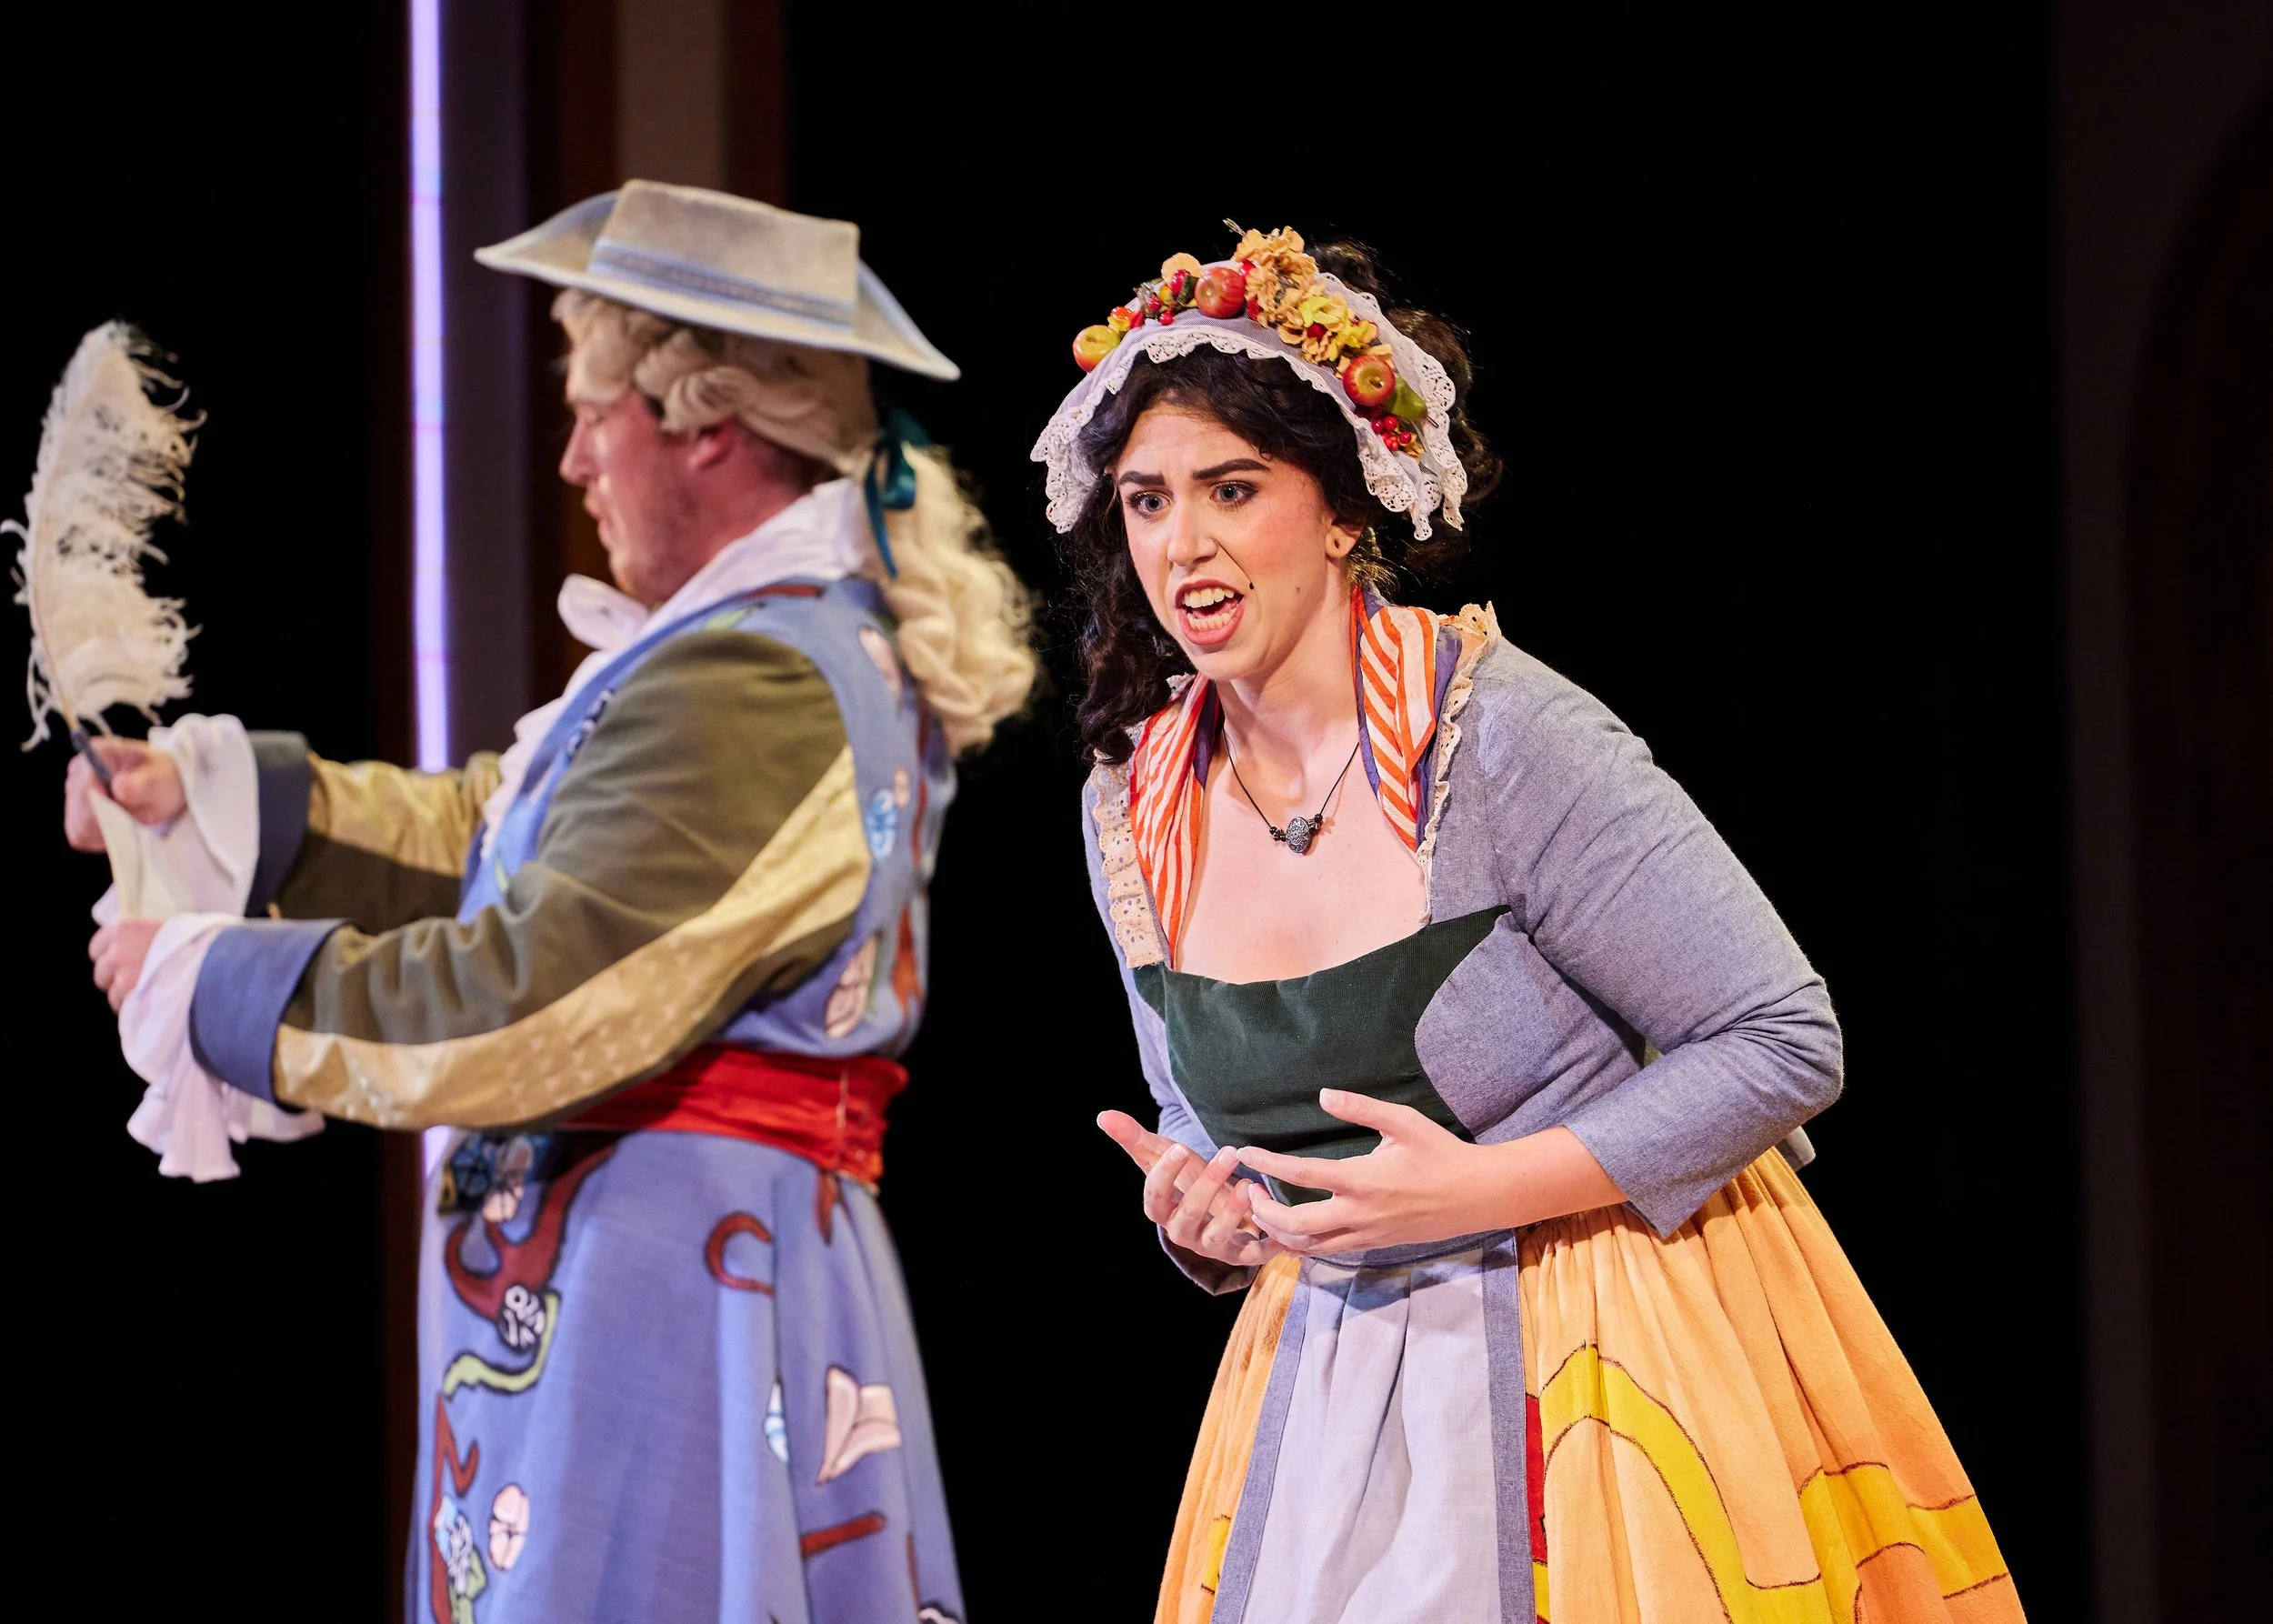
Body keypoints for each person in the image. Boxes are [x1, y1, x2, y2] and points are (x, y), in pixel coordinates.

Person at [70, 181, 1031, 1624]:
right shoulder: (732, 653)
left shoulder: (762, 684)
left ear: (704, 423)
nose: (575, 457)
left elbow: (536, 992)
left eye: (598, 412)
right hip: (617, 1297)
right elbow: (501, 840)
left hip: (679, 1312)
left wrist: (209, 980)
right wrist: (221, 797)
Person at [1040, 226, 2024, 1623]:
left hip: (1610, 1353)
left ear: (1342, 508)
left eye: (1230, 488)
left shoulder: (1497, 739)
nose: (1180, 542)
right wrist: (1205, 1211)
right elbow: (1204, 1123)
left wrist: (1477, 1190)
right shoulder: (1137, 808)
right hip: (1329, 1400)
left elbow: (1783, 1035)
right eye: (1144, 501)